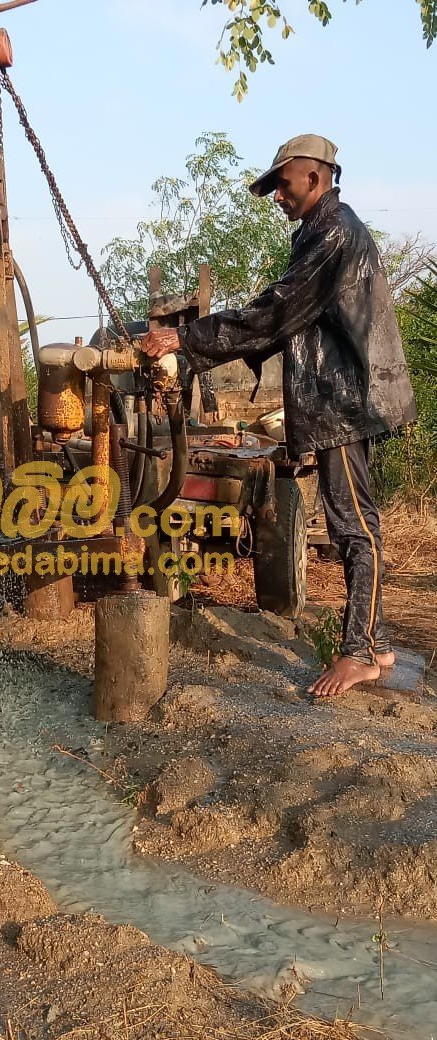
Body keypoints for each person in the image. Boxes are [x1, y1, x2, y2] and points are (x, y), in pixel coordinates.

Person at [140, 134, 417, 698]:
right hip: (345, 399)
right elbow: (289, 320)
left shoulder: (335, 232)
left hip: (345, 401)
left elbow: (277, 310)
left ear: (315, 178)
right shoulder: (322, 231)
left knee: (353, 527)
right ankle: (379, 638)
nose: (277, 197)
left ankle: (358, 653)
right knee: (357, 522)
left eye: (283, 185)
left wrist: (186, 338)